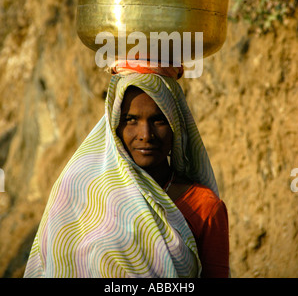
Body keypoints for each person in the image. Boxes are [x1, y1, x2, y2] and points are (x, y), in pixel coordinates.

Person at [24, 64, 229, 278]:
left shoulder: (205, 207)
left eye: (158, 120)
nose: (145, 134)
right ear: (114, 127)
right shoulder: (79, 195)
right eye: (131, 120)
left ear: (175, 126)